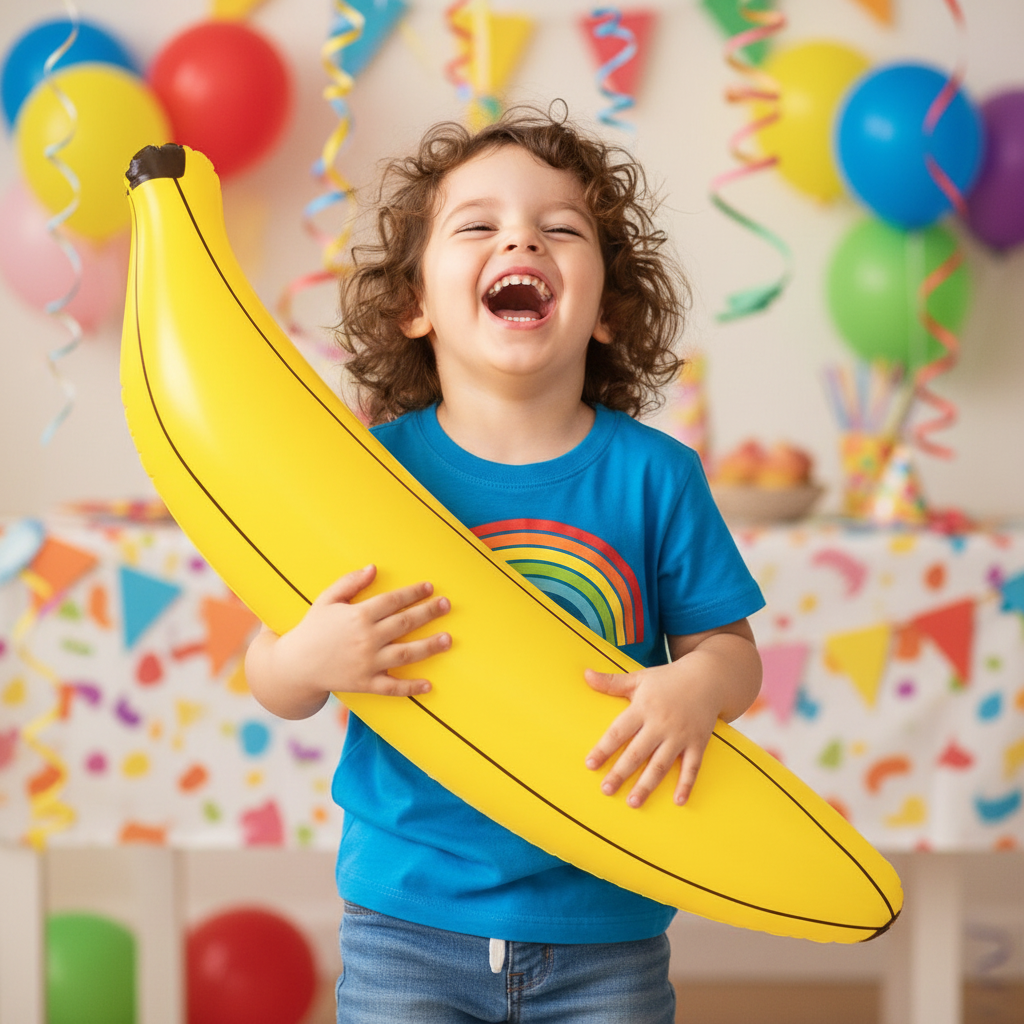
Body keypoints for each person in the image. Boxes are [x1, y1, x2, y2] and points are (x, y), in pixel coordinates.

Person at [245, 103, 765, 1024]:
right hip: (406, 921)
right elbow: (271, 673)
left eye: (559, 229)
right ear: (413, 305)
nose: (520, 238)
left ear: (607, 311)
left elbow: (732, 652)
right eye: (478, 225)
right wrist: (304, 660)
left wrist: (697, 688)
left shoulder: (657, 476)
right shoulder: (367, 472)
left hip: (607, 918)